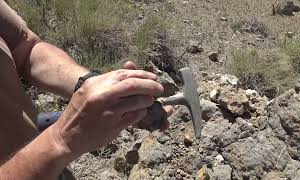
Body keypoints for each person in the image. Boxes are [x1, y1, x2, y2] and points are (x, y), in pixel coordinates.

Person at [0, 1, 173, 179]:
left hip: (45, 157)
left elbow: (25, 47)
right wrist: (60, 140)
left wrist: (92, 85)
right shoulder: (59, 143)